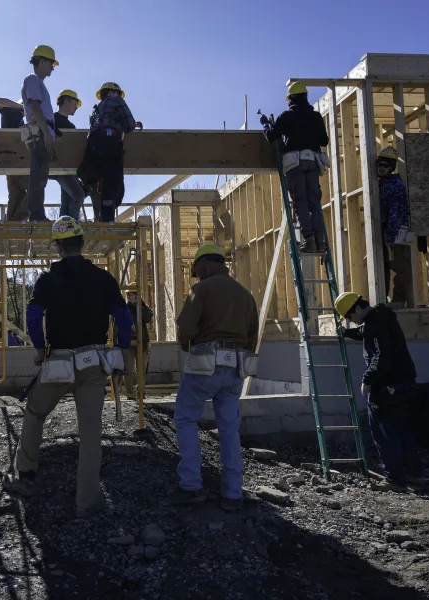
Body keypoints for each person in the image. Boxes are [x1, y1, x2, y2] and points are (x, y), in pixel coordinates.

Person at [2, 216, 132, 518]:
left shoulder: (48, 280)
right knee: (90, 432)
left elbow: (34, 315)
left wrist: (38, 347)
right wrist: (121, 350)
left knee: (35, 412)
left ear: (57, 246)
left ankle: (27, 477)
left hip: (59, 362)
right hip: (94, 362)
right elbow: (123, 317)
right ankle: (87, 501)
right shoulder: (103, 279)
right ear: (82, 242)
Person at [170, 244, 259, 511]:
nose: (196, 275)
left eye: (196, 270)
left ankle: (191, 485)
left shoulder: (201, 290)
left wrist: (189, 346)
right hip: (235, 368)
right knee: (229, 427)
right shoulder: (246, 296)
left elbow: (185, 328)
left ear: (203, 265)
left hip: (205, 364)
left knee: (186, 418)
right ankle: (233, 493)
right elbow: (252, 338)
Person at [335, 291, 422, 491]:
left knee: (384, 433)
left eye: (349, 316)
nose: (350, 321)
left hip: (387, 387)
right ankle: (413, 474)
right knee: (402, 430)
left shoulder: (375, 324)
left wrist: (367, 380)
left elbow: (380, 355)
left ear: (357, 308)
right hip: (403, 384)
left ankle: (394, 480)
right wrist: (347, 333)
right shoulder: (381, 318)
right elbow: (366, 334)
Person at [262, 81, 330, 254]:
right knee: (314, 203)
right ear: (305, 97)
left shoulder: (287, 116)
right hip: (313, 163)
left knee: (300, 202)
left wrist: (265, 125)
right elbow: (324, 141)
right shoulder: (315, 117)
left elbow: (272, 136)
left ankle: (309, 240)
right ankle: (320, 241)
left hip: (295, 165)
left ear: (290, 99)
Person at [79, 82, 143, 222]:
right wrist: (133, 125)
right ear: (113, 92)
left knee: (94, 176)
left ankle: (83, 190)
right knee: (113, 180)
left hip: (93, 143)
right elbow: (129, 123)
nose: (119, 96)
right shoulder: (116, 100)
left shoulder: (97, 109)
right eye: (118, 93)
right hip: (109, 140)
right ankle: (107, 216)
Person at [21, 45, 59, 222]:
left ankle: (38, 214)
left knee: (41, 175)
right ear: (42, 61)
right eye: (51, 63)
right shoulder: (33, 80)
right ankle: (36, 215)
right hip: (40, 133)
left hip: (43, 131)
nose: (53, 67)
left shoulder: (38, 83)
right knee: (38, 175)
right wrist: (46, 134)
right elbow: (35, 107)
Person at [377, 146, 412, 309]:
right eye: (379, 165)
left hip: (397, 231)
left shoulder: (395, 185)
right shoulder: (381, 184)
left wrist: (392, 232)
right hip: (386, 230)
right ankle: (382, 298)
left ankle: (399, 300)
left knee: (399, 266)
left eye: (385, 165)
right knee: (383, 264)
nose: (381, 168)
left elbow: (396, 210)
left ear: (391, 167)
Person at [52, 90, 87, 220]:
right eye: (75, 103)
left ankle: (62, 231)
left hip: (68, 169)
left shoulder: (71, 125)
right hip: (56, 165)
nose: (76, 108)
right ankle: (70, 226)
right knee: (78, 196)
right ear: (66, 101)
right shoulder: (51, 119)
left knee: (66, 202)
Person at [0, 97, 29, 221]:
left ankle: (11, 224)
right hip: (14, 163)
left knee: (16, 195)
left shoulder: (20, 121)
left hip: (12, 163)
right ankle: (16, 219)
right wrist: (20, 107)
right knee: (35, 188)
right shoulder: (10, 113)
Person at [122, 290, 153, 399]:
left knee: (141, 370)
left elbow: (148, 318)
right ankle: (130, 393)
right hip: (128, 342)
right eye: (128, 294)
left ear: (137, 295)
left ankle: (141, 392)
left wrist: (140, 307)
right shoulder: (124, 308)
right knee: (129, 370)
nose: (130, 296)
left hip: (142, 342)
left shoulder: (142, 307)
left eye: (132, 294)